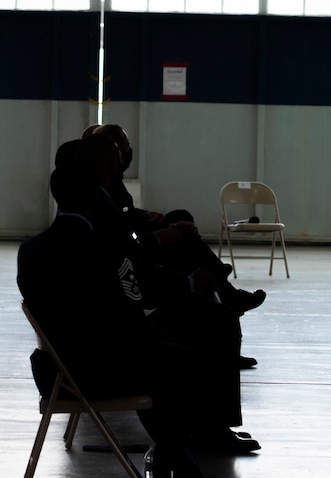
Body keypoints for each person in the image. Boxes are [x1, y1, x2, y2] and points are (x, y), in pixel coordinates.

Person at [73, 134, 256, 454]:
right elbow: (133, 275)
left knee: (204, 303)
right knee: (217, 321)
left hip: (116, 311)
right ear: (110, 163)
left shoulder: (93, 203)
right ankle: (211, 429)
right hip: (121, 323)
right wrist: (184, 282)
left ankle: (208, 426)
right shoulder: (99, 209)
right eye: (119, 157)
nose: (123, 162)